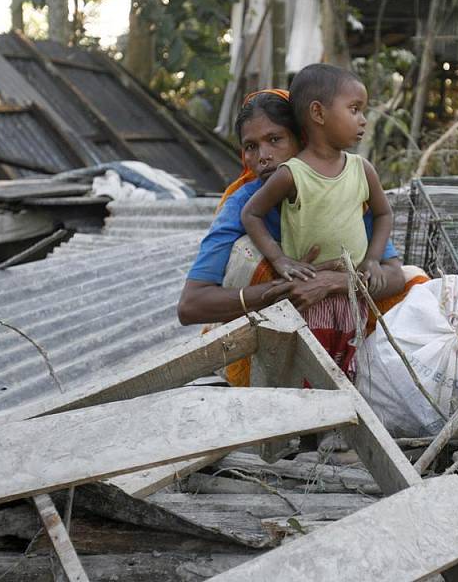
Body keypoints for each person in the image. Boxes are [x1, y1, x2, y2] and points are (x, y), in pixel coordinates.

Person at [178, 89, 424, 385]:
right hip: (269, 339)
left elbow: (393, 273)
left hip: (345, 322)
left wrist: (334, 283)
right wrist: (281, 291)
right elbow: (191, 305)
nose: (263, 157)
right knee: (246, 253)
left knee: (416, 282)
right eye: (250, 147)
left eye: (275, 139)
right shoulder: (243, 204)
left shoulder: (344, 187)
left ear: (303, 139)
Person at [242, 64, 392, 298]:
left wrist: (373, 260)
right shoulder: (292, 174)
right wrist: (280, 259)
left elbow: (384, 214)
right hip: (308, 295)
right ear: (318, 113)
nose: (363, 120)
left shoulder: (362, 170)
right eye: (354, 109)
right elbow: (250, 214)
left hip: (351, 296)